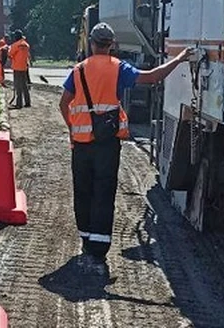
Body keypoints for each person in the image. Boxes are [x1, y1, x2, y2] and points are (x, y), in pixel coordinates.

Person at [59, 22, 192, 275]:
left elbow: (63, 103)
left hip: (82, 145)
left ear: (92, 44)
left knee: (83, 190)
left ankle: (86, 238)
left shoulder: (78, 71)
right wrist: (180, 58)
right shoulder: (119, 68)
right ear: (111, 45)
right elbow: (152, 77)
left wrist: (73, 128)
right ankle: (99, 247)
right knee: (104, 191)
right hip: (108, 142)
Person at [8, 29, 32, 109]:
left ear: (16, 37)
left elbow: (10, 54)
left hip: (17, 68)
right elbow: (28, 56)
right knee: (24, 85)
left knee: (18, 86)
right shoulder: (26, 45)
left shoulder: (15, 45)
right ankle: (27, 102)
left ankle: (19, 104)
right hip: (24, 68)